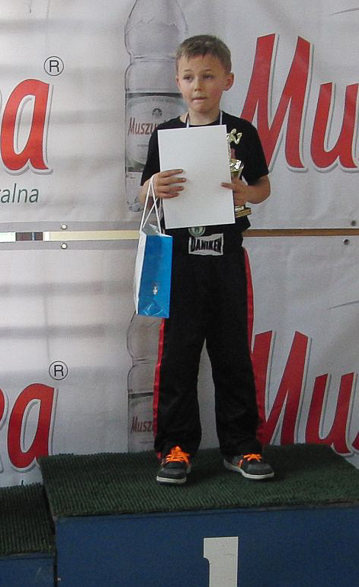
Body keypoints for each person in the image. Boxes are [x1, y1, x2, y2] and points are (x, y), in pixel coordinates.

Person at [139, 35, 274, 485]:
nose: (198, 85)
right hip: (180, 261)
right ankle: (175, 448)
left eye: (208, 76)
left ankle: (242, 446)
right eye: (189, 77)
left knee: (233, 354)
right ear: (178, 82)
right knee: (178, 356)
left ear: (227, 81)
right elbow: (144, 191)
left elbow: (263, 187)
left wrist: (245, 192)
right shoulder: (165, 133)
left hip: (227, 258)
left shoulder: (243, 132)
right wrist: (153, 186)